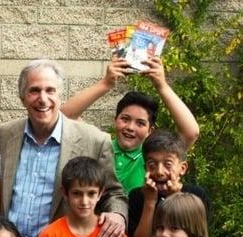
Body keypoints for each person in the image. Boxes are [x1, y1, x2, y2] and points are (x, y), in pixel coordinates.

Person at [0, 59, 128, 237]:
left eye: (50, 90)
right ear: (22, 97)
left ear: (60, 95)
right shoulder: (4, 135)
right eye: (34, 91)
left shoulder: (93, 140)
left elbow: (113, 193)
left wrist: (117, 216)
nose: (42, 99)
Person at [61, 56, 199, 194]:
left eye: (140, 123)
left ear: (150, 130)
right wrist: (105, 83)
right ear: (115, 120)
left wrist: (161, 85)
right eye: (125, 119)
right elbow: (64, 116)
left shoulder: (152, 157)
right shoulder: (100, 146)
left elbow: (191, 132)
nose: (130, 127)